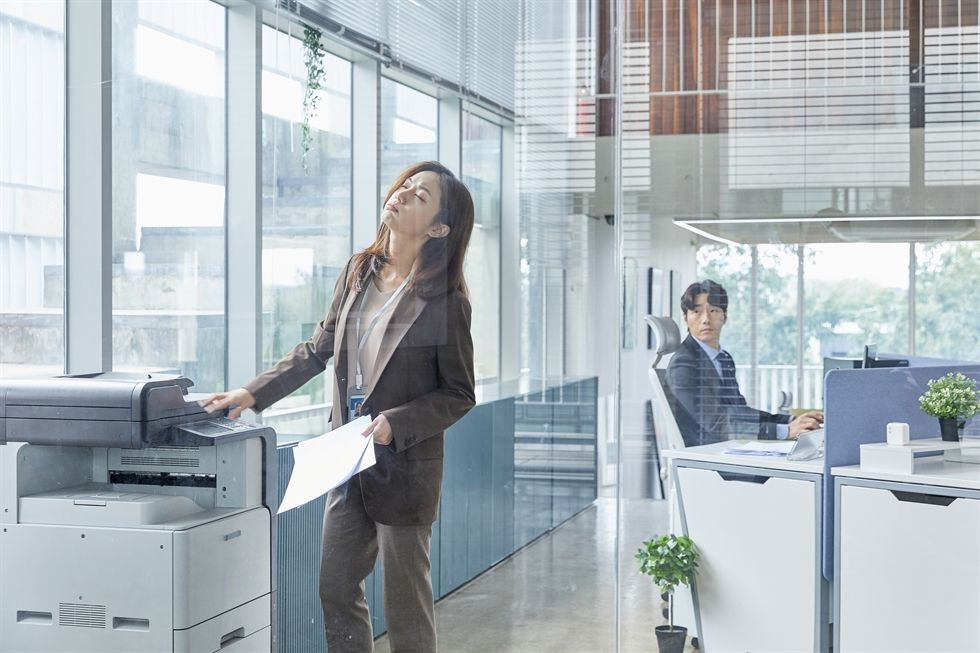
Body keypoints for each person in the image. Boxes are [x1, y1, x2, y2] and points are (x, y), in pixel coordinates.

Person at [200, 161, 476, 652]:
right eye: (405, 185)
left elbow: (459, 393)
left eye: (421, 195)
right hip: (346, 461)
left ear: (439, 227)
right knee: (335, 587)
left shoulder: (445, 301)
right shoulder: (359, 270)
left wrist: (397, 422)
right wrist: (251, 393)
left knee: (406, 606)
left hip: (405, 466)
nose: (403, 193)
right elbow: (319, 347)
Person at [666, 279, 823, 448]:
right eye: (696, 312)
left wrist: (791, 420)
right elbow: (718, 424)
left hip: (732, 448)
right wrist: (785, 431)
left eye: (713, 310)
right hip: (708, 455)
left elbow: (740, 412)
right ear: (685, 318)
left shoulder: (723, 358)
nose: (705, 319)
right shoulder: (684, 364)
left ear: (724, 316)